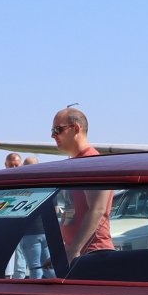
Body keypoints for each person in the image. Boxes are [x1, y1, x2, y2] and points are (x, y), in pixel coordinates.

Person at [51, 107, 112, 260]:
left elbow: (98, 209)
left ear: (76, 128)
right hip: (79, 253)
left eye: (57, 130)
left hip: (93, 252)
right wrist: (67, 249)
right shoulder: (77, 163)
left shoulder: (92, 162)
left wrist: (74, 251)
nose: (53, 136)